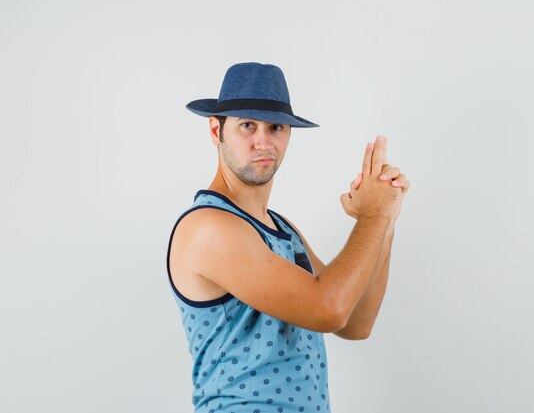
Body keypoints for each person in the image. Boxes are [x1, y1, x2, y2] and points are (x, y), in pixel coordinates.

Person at [166, 62, 410, 413]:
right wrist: (372, 215)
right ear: (215, 130)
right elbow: (329, 310)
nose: (263, 141)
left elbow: (356, 322)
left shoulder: (282, 228)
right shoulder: (209, 227)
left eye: (276, 127)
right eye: (247, 125)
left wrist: (384, 217)